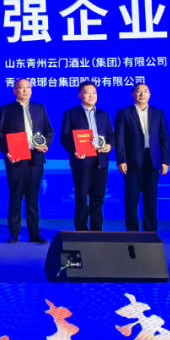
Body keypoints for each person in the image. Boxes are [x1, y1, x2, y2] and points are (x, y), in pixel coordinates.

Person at [0, 78, 52, 244]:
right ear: (15, 90)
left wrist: (46, 144)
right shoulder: (6, 109)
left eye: (28, 87)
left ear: (31, 90)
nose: (25, 91)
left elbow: (49, 131)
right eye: (21, 87)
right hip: (16, 158)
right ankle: (14, 233)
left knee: (33, 198)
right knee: (16, 197)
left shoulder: (39, 108)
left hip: (36, 157)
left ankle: (35, 234)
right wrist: (7, 151)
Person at [114, 83, 170, 232]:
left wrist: (165, 161)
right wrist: (121, 160)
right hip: (132, 162)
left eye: (145, 91)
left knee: (151, 199)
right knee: (131, 200)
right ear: (132, 94)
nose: (142, 94)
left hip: (153, 161)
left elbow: (164, 139)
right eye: (138, 91)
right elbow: (119, 138)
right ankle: (132, 232)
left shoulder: (158, 113)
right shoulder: (124, 113)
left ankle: (150, 232)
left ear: (150, 94)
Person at [60, 81, 114, 231]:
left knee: (98, 197)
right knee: (82, 197)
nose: (91, 96)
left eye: (94, 93)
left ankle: (97, 230)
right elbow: (64, 137)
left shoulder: (103, 114)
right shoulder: (71, 114)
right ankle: (81, 230)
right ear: (80, 95)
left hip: (101, 161)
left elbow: (111, 135)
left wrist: (110, 145)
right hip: (81, 161)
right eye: (87, 92)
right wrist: (74, 151)